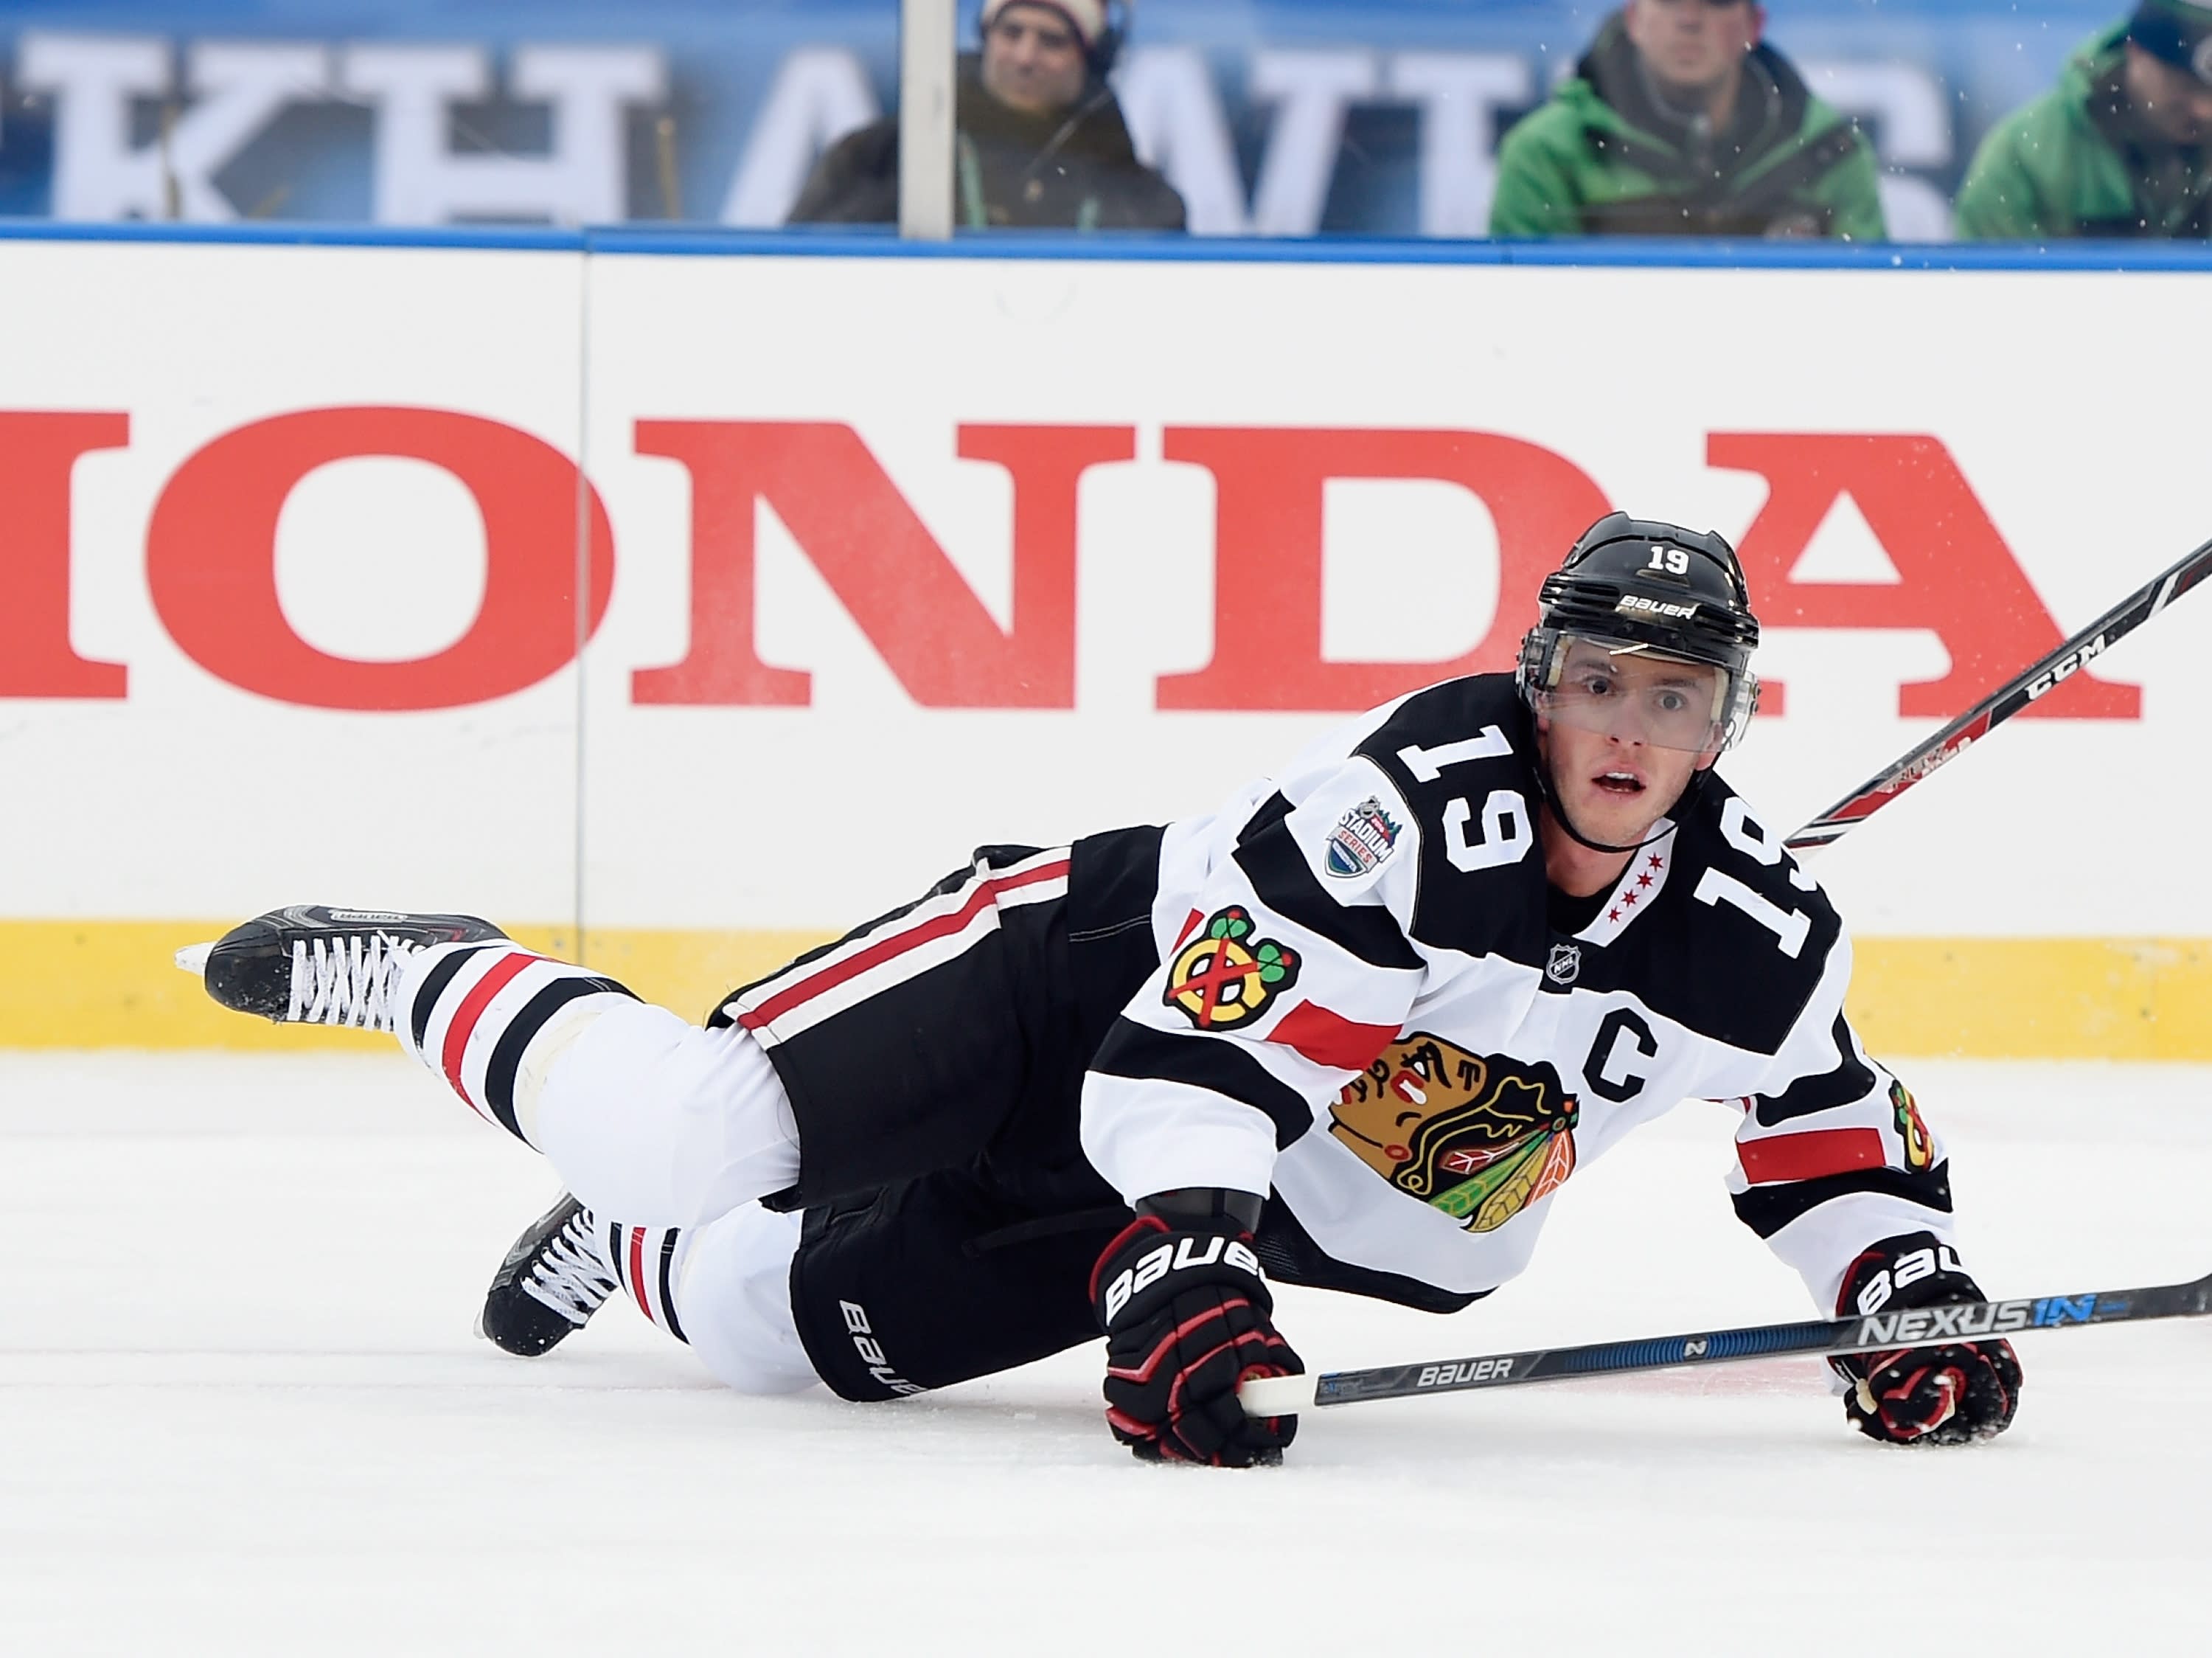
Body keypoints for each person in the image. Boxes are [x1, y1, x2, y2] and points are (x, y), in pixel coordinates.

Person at [184, 514, 2020, 1467]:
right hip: (1072, 985)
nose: (1629, 730)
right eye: (1601, 685)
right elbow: (1194, 1054)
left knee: (792, 1345)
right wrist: (1194, 1264)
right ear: (1537, 684)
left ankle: (640, 1246)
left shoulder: (1749, 935)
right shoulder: (1398, 814)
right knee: (693, 1133)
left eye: (1674, 702)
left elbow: (1826, 1129)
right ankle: (436, 973)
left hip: (1219, 1181)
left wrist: (1899, 1283)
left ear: (1721, 729)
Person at [1489, 1, 1885, 240]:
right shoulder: (1547, 153)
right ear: (1634, 18)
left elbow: (1871, 319)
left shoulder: (1830, 152)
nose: (1690, 19)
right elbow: (1516, 328)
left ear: (1754, 26)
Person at [787, 0, 1185, 232]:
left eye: (1052, 41)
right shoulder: (876, 161)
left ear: (1092, 60)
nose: (1025, 57)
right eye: (1012, 33)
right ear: (986, 36)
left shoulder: (1144, 202)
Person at [1954, 2, 2212, 240]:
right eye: (2184, 86)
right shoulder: (2025, 158)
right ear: (2136, 52)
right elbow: (1985, 282)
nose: (2204, 110)